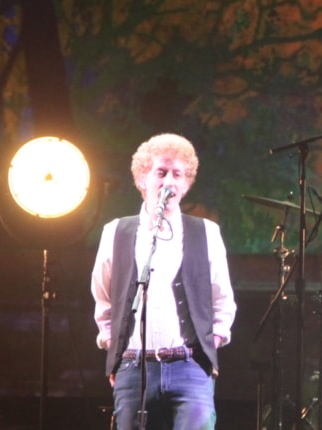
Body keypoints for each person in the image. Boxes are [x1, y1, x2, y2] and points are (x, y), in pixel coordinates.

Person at [91, 133, 237, 429]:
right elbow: (104, 300)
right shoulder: (115, 231)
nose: (169, 180)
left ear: (186, 184)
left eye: (177, 174)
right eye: (161, 172)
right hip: (133, 365)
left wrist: (211, 346)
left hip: (190, 366)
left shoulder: (206, 232)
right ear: (142, 179)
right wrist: (115, 349)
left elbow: (222, 300)